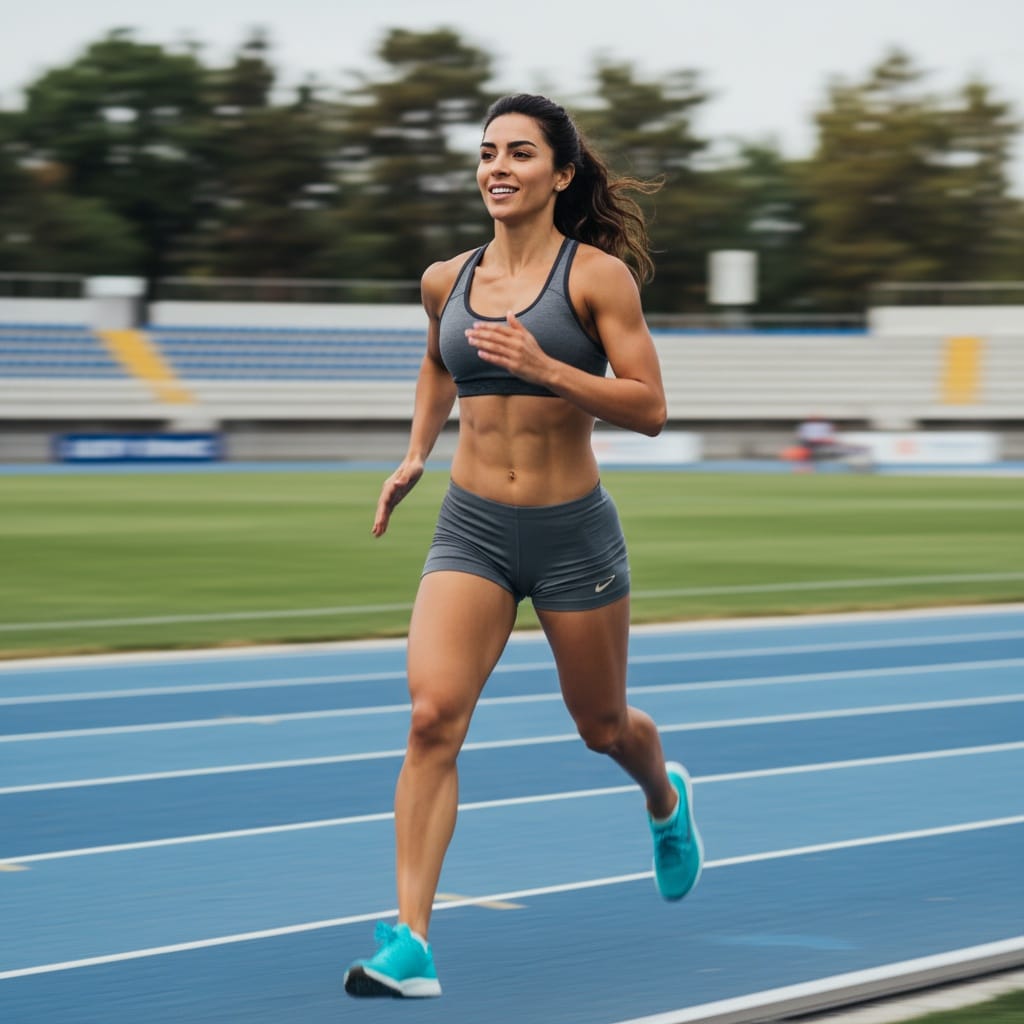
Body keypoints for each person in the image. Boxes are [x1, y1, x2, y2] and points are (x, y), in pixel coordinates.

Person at [343, 93, 704, 1000]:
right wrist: (417, 451)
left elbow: (652, 407)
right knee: (432, 718)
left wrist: (549, 368)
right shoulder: (446, 279)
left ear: (561, 173)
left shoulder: (596, 280)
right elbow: (438, 359)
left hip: (571, 533)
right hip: (471, 527)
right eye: (487, 153)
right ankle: (411, 941)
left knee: (603, 728)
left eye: (520, 153)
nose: (498, 167)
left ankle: (664, 795)